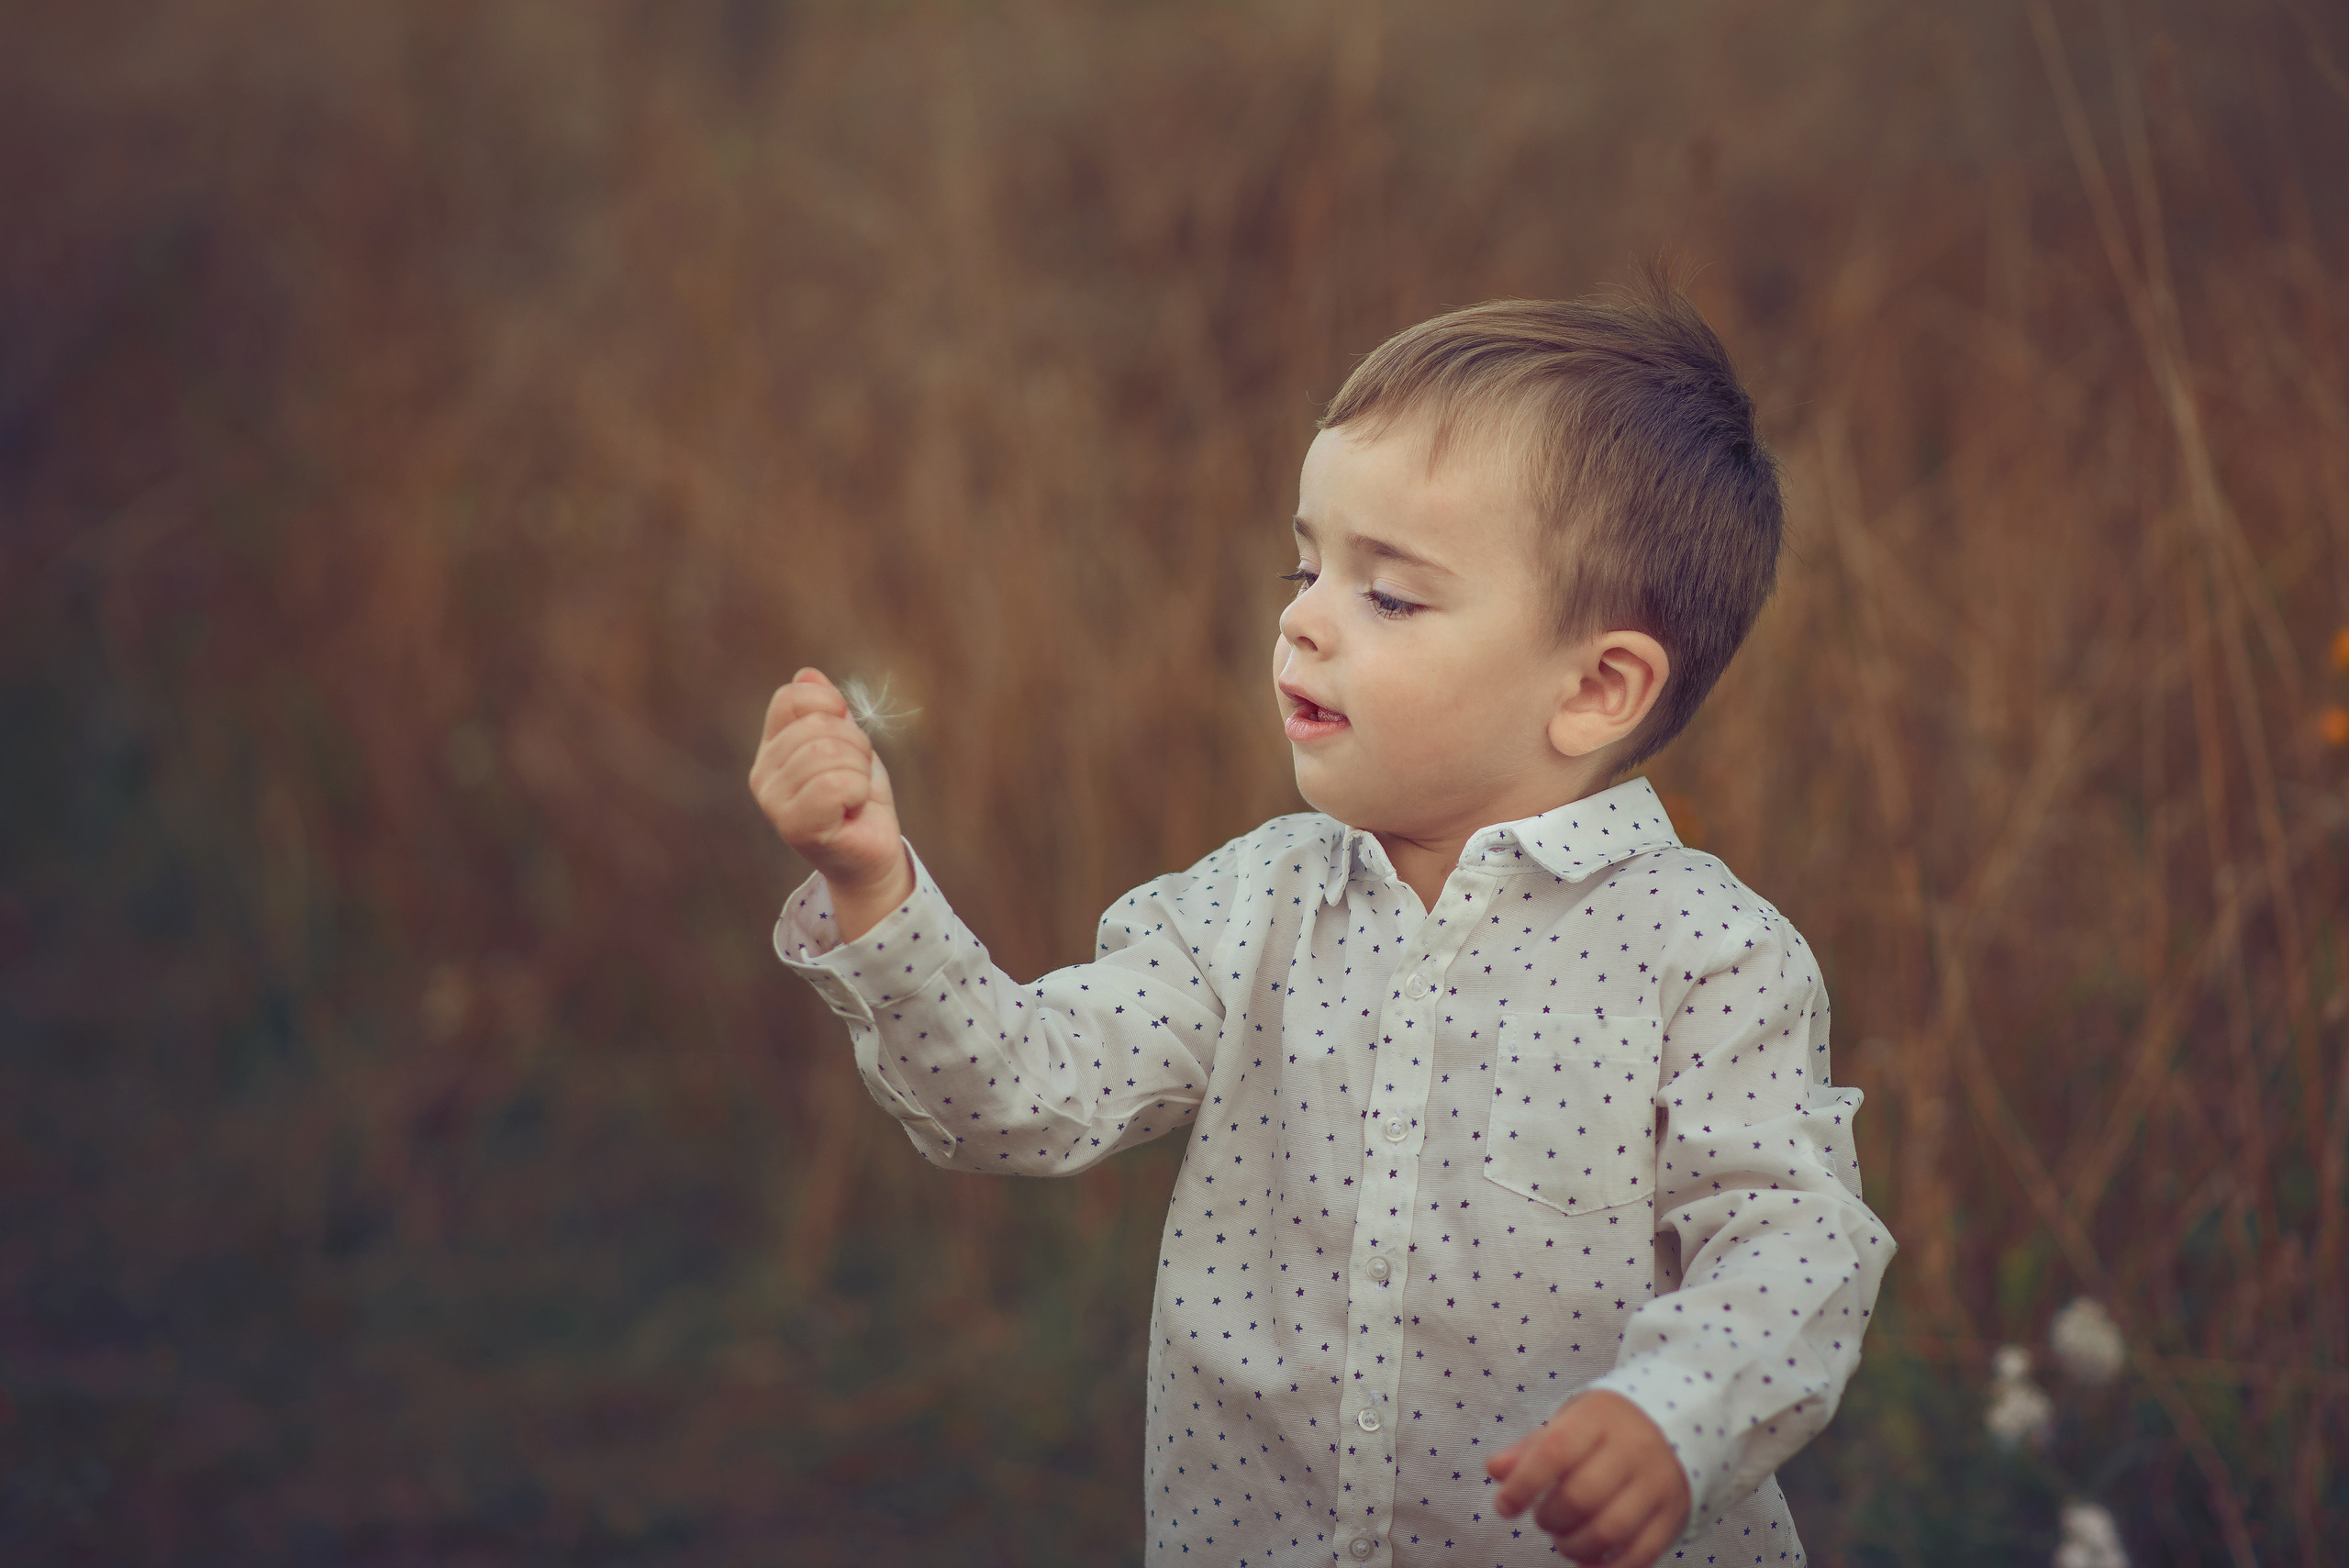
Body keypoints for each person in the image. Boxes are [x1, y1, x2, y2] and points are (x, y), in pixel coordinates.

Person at [750, 276, 1893, 1567]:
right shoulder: (1250, 908)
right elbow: (1017, 1093)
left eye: (1389, 596)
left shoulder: (1712, 958)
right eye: (1308, 566)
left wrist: (1675, 1415)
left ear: (1597, 688)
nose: (1300, 616)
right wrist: (873, 888)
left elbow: (1791, 1245)